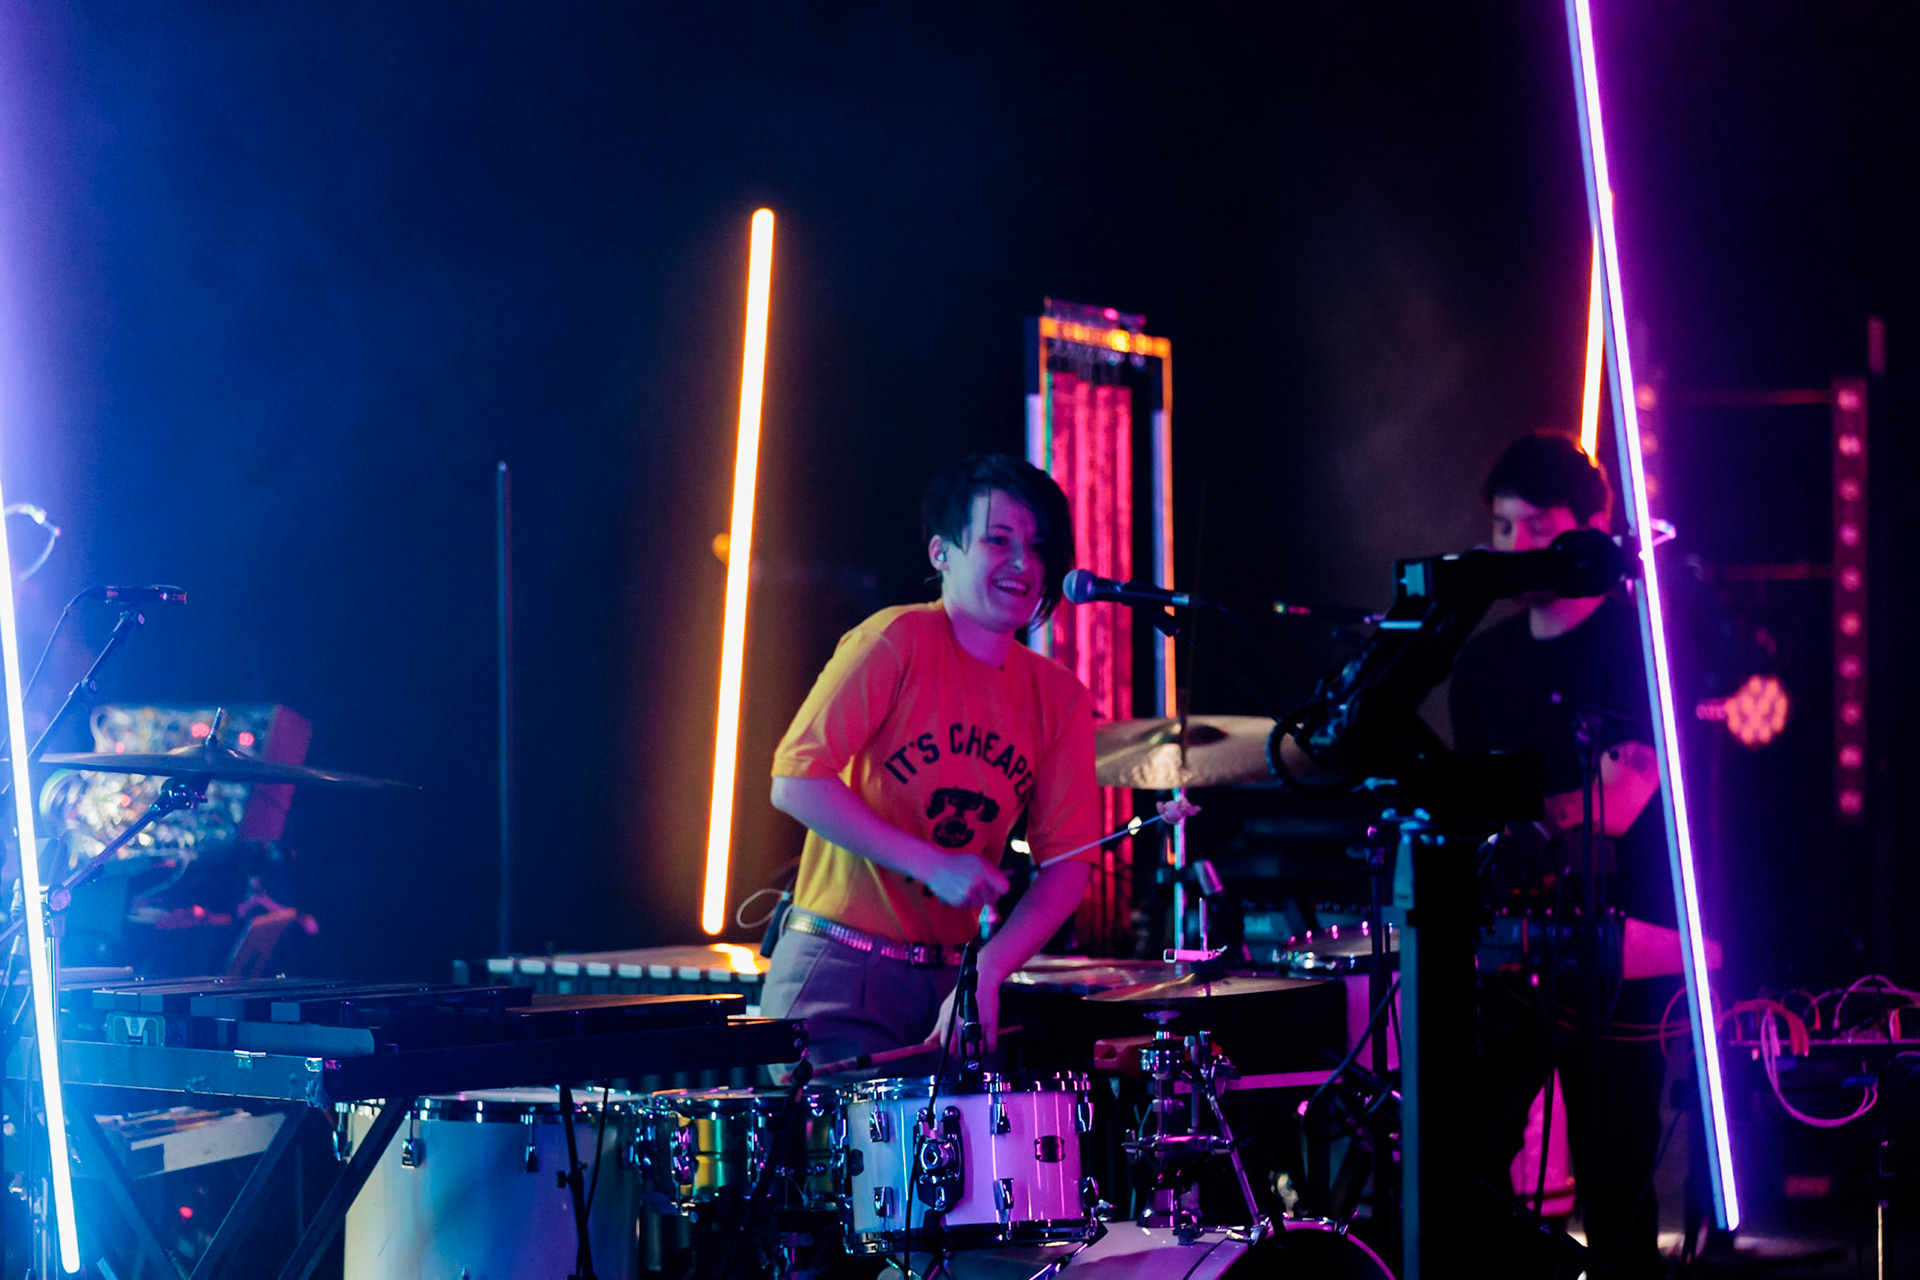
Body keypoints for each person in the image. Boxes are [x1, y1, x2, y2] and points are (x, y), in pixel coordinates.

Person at [760, 452, 1099, 1077]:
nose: (1025, 564)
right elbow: (796, 780)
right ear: (942, 553)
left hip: (956, 978)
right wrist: (932, 865)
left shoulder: (1059, 697)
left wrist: (990, 969)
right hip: (841, 971)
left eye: (1038, 546)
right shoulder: (896, 640)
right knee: (843, 1175)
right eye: (999, 540)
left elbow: (1069, 865)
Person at [1448, 430, 1676, 1278]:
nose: (1514, 547)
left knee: (1616, 1177)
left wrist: (1534, 822)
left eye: (1535, 525)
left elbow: (1620, 803)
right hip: (1508, 950)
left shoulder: (1634, 643)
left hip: (1619, 945)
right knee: (1465, 1159)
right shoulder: (1480, 663)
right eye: (1502, 528)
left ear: (1590, 525)